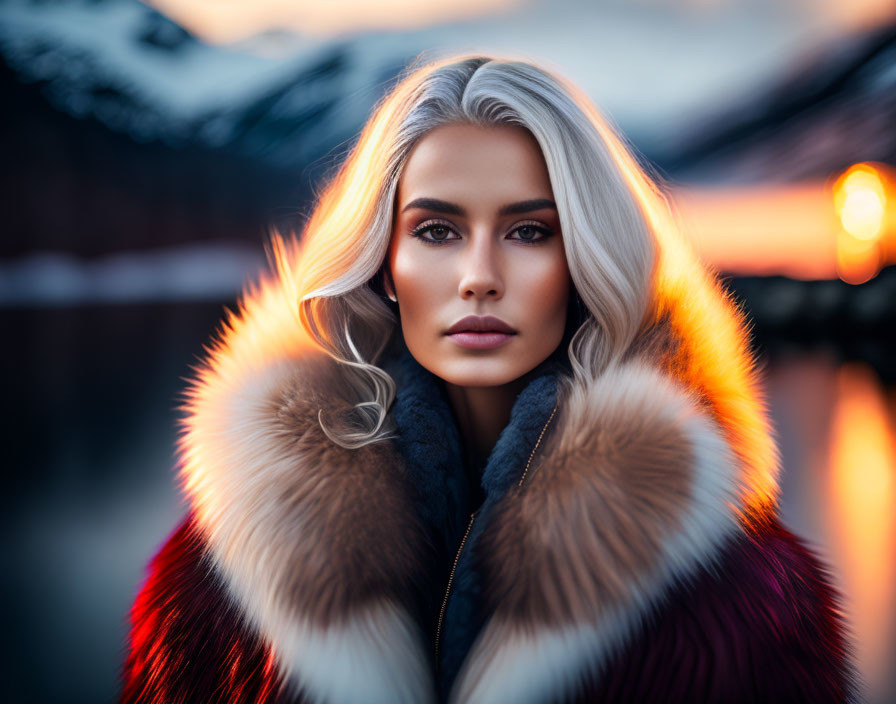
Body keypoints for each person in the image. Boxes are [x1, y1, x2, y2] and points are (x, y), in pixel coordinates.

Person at [119, 52, 863, 703]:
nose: (479, 277)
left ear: (586, 260)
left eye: (530, 231)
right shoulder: (215, 584)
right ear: (382, 264)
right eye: (437, 231)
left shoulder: (747, 595)